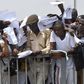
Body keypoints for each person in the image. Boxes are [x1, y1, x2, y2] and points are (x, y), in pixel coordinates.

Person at [26, 14, 51, 84]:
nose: (30, 27)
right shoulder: (29, 33)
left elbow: (49, 47)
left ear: (37, 23)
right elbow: (28, 46)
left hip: (43, 62)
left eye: (32, 25)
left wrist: (40, 52)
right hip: (32, 62)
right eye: (29, 25)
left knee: (40, 82)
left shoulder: (46, 32)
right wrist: (29, 52)